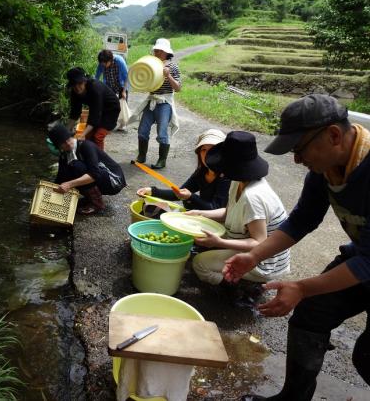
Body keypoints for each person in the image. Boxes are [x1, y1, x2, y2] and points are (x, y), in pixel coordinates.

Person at [222, 95, 370, 401]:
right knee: (312, 313)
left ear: (333, 135)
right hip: (363, 255)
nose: (297, 160)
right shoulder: (325, 170)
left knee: (367, 358)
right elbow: (302, 220)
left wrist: (301, 287)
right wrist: (253, 255)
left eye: (299, 149)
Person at [187, 131, 290, 288]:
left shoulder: (253, 197)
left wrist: (220, 242)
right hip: (254, 246)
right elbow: (228, 212)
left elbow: (259, 242)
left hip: (266, 261)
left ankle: (239, 287)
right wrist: (199, 214)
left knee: (200, 263)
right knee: (207, 234)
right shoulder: (239, 180)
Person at [136, 129, 230, 211]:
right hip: (201, 216)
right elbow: (179, 193)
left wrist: (191, 197)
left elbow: (217, 209)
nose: (207, 154)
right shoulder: (201, 172)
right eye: (204, 150)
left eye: (212, 150)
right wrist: (152, 191)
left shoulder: (226, 177)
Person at [47, 124, 126, 215]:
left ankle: (97, 204)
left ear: (72, 136)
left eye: (68, 139)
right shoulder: (64, 156)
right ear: (59, 147)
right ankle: (90, 198)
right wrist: (51, 194)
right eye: (63, 143)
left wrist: (69, 184)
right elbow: (60, 179)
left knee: (76, 166)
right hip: (100, 177)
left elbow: (95, 174)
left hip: (114, 180)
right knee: (67, 171)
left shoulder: (86, 146)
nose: (68, 144)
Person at [131, 38, 181, 169]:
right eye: (156, 50)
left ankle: (162, 160)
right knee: (142, 130)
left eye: (160, 50)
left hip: (164, 103)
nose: (157, 52)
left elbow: (178, 88)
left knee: (162, 133)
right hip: (151, 100)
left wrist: (168, 75)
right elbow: (143, 82)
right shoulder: (150, 64)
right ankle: (141, 156)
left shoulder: (173, 66)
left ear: (166, 52)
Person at [67, 67, 121, 151]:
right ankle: (90, 157)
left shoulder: (95, 88)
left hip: (111, 109)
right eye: (74, 85)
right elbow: (75, 112)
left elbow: (95, 115)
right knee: (88, 136)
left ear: (85, 81)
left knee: (98, 136)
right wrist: (66, 131)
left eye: (80, 84)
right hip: (98, 109)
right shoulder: (74, 92)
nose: (77, 88)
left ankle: (100, 161)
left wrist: (82, 134)